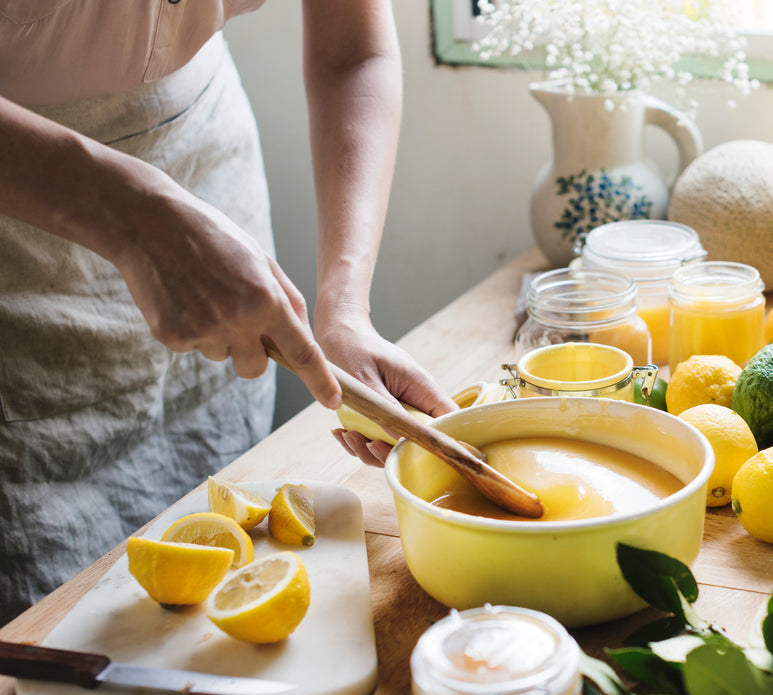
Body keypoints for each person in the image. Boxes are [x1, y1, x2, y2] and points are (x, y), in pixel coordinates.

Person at [0, 0, 456, 624]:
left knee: (216, 533)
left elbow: (352, 50)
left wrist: (344, 308)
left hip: (198, 156)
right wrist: (134, 214)